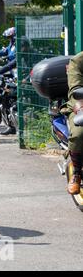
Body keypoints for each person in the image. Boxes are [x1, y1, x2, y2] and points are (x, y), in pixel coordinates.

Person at [65, 51, 83, 195]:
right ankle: (76, 173)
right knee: (79, 133)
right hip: (80, 104)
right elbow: (76, 89)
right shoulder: (78, 61)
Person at [0, 27, 17, 135]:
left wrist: (2, 69)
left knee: (14, 96)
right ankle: (10, 126)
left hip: (22, 76)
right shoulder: (11, 46)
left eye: (11, 38)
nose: (10, 40)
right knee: (4, 96)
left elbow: (14, 60)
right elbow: (3, 51)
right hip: (13, 74)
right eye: (9, 38)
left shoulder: (21, 45)